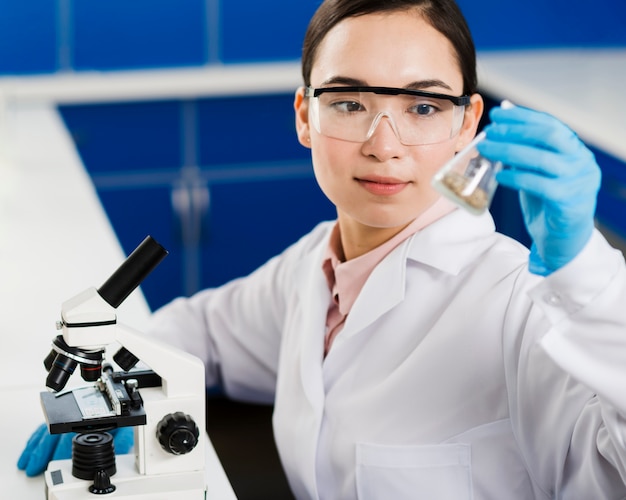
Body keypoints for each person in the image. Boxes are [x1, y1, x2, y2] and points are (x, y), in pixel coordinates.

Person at [19, 0, 626, 498]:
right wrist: (112, 398)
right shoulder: (315, 268)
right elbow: (199, 333)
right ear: (305, 115)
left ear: (467, 124)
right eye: (350, 102)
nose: (383, 145)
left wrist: (587, 279)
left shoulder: (517, 305)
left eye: (421, 106)